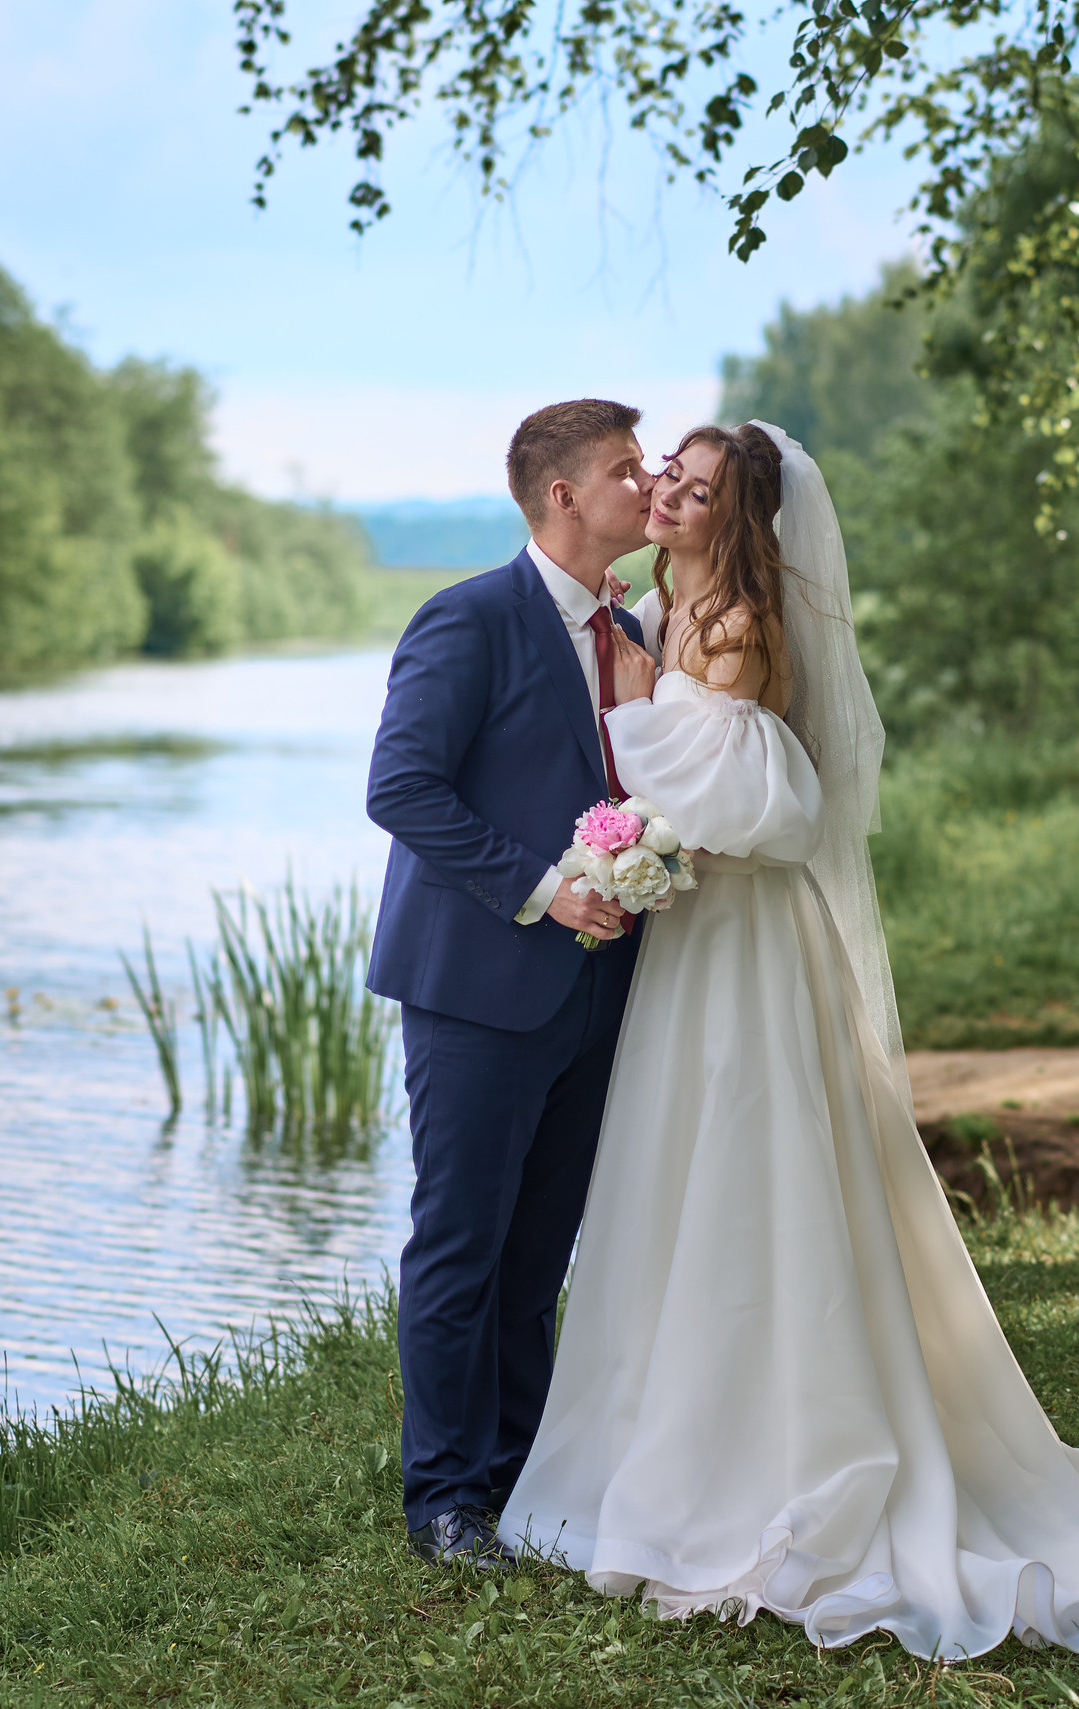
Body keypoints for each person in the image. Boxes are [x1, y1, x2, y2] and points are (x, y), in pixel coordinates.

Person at [497, 422, 1079, 1657]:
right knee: (673, 1165)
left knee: (755, 1159)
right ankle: (658, 1434)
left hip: (751, 941)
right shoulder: (659, 605)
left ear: (736, 516)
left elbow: (756, 804)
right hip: (690, 945)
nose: (669, 495)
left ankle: (787, 1451)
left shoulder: (740, 629)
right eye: (669, 478)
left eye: (697, 488)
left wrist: (641, 762)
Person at [364, 398, 655, 1567]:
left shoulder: (628, 629)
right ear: (563, 495)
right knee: (462, 1242)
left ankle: (519, 1476)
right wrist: (541, 888)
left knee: (539, 1251)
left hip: (599, 987)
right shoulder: (468, 616)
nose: (649, 482)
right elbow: (401, 787)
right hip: (478, 983)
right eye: (627, 468)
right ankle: (442, 1498)